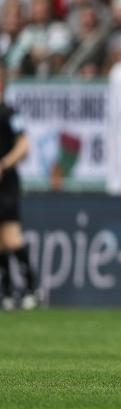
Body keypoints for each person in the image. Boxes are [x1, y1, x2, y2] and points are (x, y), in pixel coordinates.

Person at [0, 71, 39, 311]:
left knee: (12, 238)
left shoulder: (9, 114)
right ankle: (6, 292)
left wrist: (4, 164)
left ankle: (32, 288)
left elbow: (24, 145)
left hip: (6, 184)